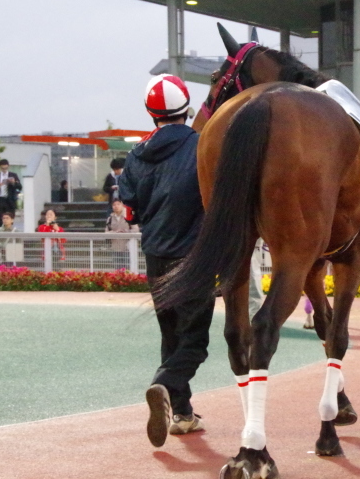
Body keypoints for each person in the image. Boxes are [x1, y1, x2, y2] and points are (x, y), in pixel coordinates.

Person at [118, 73, 212, 447]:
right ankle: (164, 385)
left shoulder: (136, 154)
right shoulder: (202, 147)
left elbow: (131, 212)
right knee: (194, 342)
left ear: (150, 112)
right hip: (193, 257)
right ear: (187, 109)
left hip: (155, 256)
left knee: (171, 336)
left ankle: (184, 414)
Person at [105, 198, 139, 270]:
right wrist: (114, 232)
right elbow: (106, 232)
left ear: (122, 205)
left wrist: (126, 231)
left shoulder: (128, 216)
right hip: (115, 248)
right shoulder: (110, 218)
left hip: (127, 248)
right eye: (114, 205)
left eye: (118, 204)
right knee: (117, 269)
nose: (116, 206)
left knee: (128, 268)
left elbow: (136, 229)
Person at [0, 159, 22, 230]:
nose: (4, 170)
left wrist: (14, 183)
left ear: (8, 167)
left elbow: (19, 187)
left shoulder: (13, 175)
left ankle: (9, 236)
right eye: (2, 168)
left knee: (9, 220)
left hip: (10, 201)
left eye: (6, 168)